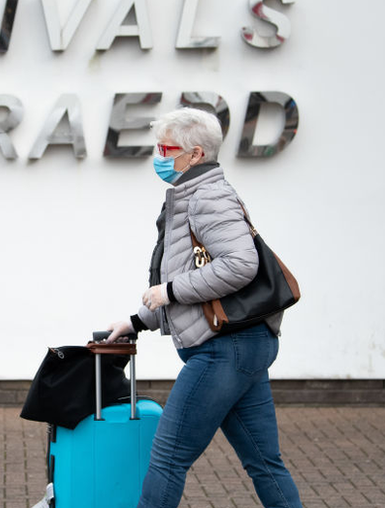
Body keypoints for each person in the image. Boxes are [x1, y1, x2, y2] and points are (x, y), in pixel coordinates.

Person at [106, 108, 302, 508]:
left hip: (223, 350)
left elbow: (241, 264)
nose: (158, 156)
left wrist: (171, 292)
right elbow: (190, 275)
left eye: (166, 148)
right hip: (242, 346)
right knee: (264, 462)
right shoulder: (192, 194)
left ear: (195, 154)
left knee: (167, 459)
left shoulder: (208, 196)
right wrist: (135, 322)